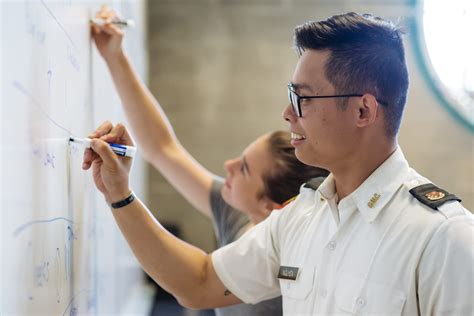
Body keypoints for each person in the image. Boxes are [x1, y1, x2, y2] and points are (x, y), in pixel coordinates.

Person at [84, 12, 473, 315]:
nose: (287, 113)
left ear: (362, 110)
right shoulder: (301, 217)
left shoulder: (442, 238)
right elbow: (199, 281)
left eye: (303, 98)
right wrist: (120, 194)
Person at [89, 7, 328, 316]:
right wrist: (115, 56)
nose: (228, 165)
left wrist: (119, 194)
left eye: (244, 169)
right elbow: (163, 148)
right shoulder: (240, 212)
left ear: (272, 208)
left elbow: (196, 282)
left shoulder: (276, 273)